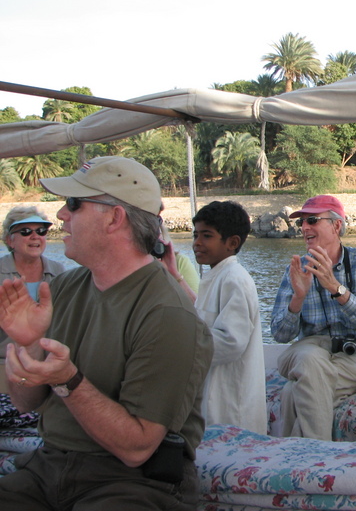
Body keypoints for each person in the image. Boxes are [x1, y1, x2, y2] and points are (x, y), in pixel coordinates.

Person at [0, 156, 213, 510]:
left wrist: (68, 380)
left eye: (73, 203)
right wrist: (29, 343)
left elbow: (137, 447)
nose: (61, 215)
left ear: (114, 218)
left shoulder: (168, 315)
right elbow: (26, 403)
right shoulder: (64, 289)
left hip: (132, 483)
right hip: (48, 468)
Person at [271, 195, 356, 440]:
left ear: (336, 225)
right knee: (310, 358)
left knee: (294, 391)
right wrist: (298, 299)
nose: (304, 228)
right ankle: (319, 453)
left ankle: (300, 453)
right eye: (301, 222)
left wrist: (336, 288)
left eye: (312, 220)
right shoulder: (296, 269)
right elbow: (280, 334)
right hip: (306, 350)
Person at [192, 200, 267, 434]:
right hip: (212, 392)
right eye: (195, 235)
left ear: (232, 243)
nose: (197, 242)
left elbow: (231, 341)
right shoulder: (216, 276)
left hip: (231, 401)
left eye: (206, 236)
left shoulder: (234, 279)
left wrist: (181, 339)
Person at [1, 206, 66, 360]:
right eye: (26, 231)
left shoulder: (59, 272)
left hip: (48, 361)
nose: (35, 236)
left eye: (41, 231)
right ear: (10, 240)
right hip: (5, 361)